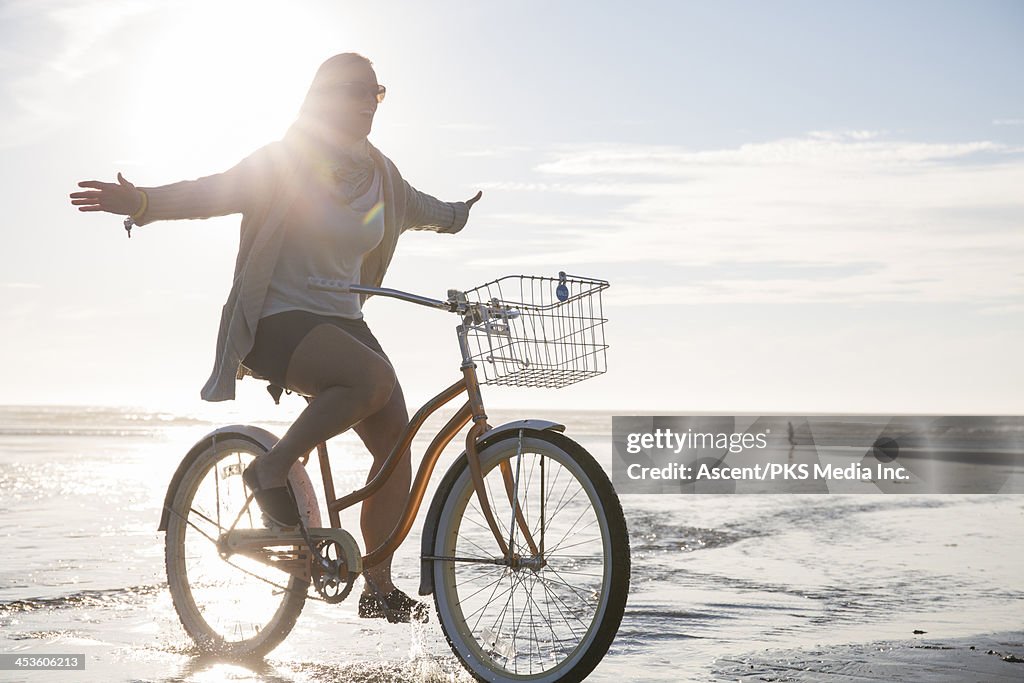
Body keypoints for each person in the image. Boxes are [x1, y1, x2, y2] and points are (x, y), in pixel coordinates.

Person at [69, 53, 482, 623]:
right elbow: (212, 192)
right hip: (275, 317)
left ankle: (378, 585)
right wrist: (142, 202)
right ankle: (270, 468)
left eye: (377, 92)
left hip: (341, 321)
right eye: (357, 91)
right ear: (325, 96)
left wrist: (462, 213)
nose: (369, 102)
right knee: (373, 379)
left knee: (396, 439)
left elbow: (429, 210)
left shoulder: (382, 176)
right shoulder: (286, 161)